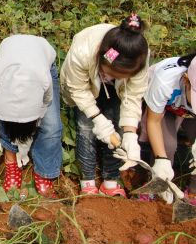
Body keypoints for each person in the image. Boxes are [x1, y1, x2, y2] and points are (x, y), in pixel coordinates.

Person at [60, 14, 149, 197]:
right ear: (103, 59)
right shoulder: (83, 51)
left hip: (117, 91)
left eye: (123, 76)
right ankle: (88, 179)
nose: (118, 77)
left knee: (117, 126)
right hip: (85, 86)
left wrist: (131, 134)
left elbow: (132, 97)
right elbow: (78, 90)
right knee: (86, 126)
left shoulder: (139, 56)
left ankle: (111, 179)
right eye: (114, 73)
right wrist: (98, 119)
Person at [0, 35, 61, 197]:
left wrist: (35, 122)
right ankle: (11, 163)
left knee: (51, 126)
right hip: (9, 56)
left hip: (42, 59)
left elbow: (46, 103)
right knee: (7, 123)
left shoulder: (44, 80)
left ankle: (44, 170)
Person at [139, 53, 196, 204]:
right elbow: (154, 122)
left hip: (188, 111)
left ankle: (193, 190)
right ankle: (154, 185)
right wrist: (161, 159)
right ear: (186, 79)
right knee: (167, 146)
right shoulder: (164, 81)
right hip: (166, 107)